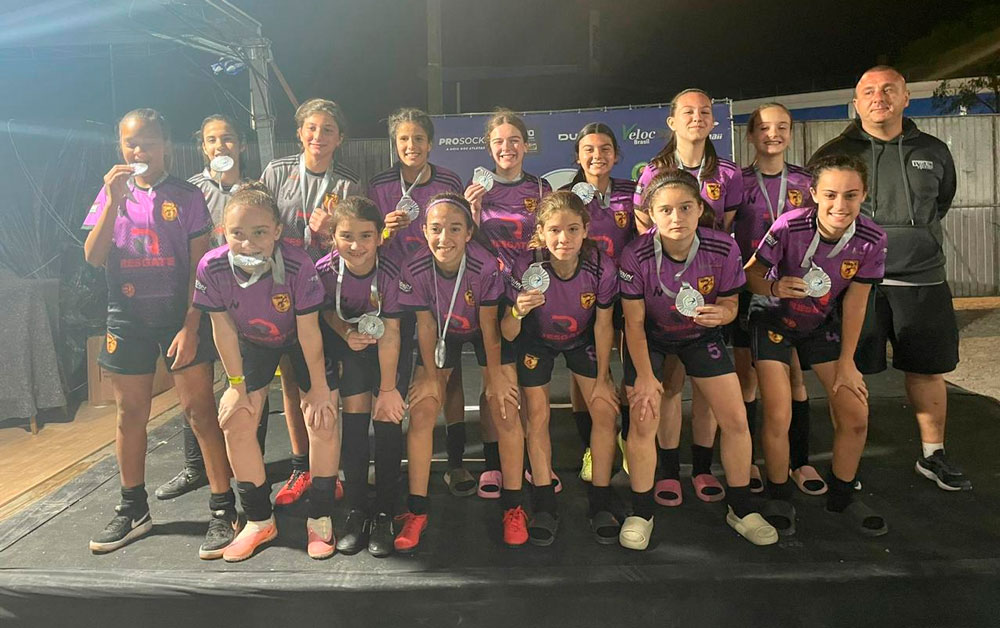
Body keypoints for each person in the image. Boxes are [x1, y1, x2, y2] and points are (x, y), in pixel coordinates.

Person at [82, 109, 234, 559]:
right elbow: (93, 256)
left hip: (177, 318)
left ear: (166, 145)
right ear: (120, 146)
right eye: (130, 142)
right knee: (129, 414)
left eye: (148, 141)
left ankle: (223, 508)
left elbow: (200, 267)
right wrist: (113, 200)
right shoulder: (110, 193)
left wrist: (191, 324)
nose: (139, 150)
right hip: (126, 318)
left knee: (199, 412)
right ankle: (134, 509)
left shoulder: (186, 196)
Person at [810, 66, 968, 491]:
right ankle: (847, 463)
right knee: (848, 373)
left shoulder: (933, 150)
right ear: (856, 103)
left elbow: (942, 201)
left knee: (928, 370)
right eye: (868, 91)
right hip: (854, 284)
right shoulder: (833, 154)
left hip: (922, 279)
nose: (878, 97)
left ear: (905, 97)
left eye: (888, 89)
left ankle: (933, 455)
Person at [618, 170, 777, 550]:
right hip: (651, 339)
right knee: (643, 418)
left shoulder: (723, 247)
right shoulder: (635, 254)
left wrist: (724, 314)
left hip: (700, 336)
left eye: (685, 207)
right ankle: (641, 512)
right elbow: (634, 324)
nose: (677, 217)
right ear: (651, 214)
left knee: (735, 419)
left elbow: (730, 302)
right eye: (666, 210)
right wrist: (645, 376)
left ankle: (741, 509)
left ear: (699, 209)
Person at [193, 181, 340, 561]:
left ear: (277, 231)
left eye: (259, 232)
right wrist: (236, 386)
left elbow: (309, 332)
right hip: (254, 342)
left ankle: (320, 515)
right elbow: (223, 328)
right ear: (223, 232)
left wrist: (319, 388)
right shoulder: (212, 266)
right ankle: (260, 520)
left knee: (322, 417)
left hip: (299, 337)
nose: (248, 243)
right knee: (236, 419)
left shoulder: (298, 264)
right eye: (238, 233)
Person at [744, 154, 889, 536]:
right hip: (772, 318)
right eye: (830, 195)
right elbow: (750, 274)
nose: (840, 205)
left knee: (855, 413)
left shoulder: (872, 238)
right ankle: (779, 495)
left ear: (864, 194)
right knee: (778, 413)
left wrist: (848, 362)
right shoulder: (790, 225)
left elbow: (856, 302)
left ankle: (842, 495)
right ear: (814, 194)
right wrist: (774, 286)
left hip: (819, 323)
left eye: (851, 195)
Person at [632, 89, 745, 504]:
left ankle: (701, 468)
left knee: (708, 391)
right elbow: (646, 229)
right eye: (688, 112)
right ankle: (667, 472)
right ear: (672, 121)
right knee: (668, 384)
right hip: (663, 292)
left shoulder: (729, 173)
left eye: (704, 112)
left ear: (713, 120)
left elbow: (725, 227)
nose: (697, 118)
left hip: (707, 284)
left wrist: (711, 286)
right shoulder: (652, 171)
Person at [390, 193, 519, 552]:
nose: (444, 238)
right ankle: (417, 510)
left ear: (469, 232)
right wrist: (431, 376)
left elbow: (489, 326)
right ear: (423, 230)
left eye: (454, 229)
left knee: (504, 405)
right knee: (423, 409)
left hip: (483, 329)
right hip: (442, 333)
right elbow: (426, 325)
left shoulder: (485, 264)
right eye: (435, 229)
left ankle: (514, 505)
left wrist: (495, 377)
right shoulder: (414, 267)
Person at [157, 113, 269, 502]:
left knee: (248, 382)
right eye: (212, 140)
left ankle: (251, 461)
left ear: (242, 145)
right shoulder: (189, 191)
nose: (220, 146)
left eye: (228, 138)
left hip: (249, 298)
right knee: (198, 387)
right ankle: (196, 468)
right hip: (202, 301)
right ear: (202, 147)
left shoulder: (256, 191)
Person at [501, 190, 621, 546]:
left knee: (605, 412)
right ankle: (544, 504)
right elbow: (508, 332)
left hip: (582, 339)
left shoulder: (600, 266)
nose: (563, 238)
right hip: (536, 341)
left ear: (585, 230)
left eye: (572, 229)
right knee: (536, 416)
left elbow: (604, 325)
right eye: (554, 230)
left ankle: (601, 502)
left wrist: (603, 377)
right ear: (541, 232)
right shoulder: (526, 266)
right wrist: (518, 310)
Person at [367, 109, 474, 497]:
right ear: (395, 144)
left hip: (438, 291)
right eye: (403, 139)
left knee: (448, 375)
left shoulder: (449, 181)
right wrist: (384, 230)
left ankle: (456, 462)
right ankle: (390, 465)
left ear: (431, 143)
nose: (411, 146)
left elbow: (460, 232)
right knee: (393, 377)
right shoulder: (379, 184)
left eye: (418, 139)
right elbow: (367, 238)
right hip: (394, 292)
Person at [260, 98, 360, 506]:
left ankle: (329, 469)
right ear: (300, 133)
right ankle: (302, 466)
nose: (319, 136)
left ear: (340, 138)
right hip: (281, 292)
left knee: (326, 384)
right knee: (291, 380)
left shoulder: (348, 184)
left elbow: (355, 242)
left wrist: (331, 230)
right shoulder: (276, 172)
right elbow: (259, 223)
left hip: (326, 294)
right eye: (312, 128)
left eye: (328, 130)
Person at [734, 104, 825, 496]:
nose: (773, 134)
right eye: (764, 127)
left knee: (795, 376)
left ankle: (799, 461)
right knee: (747, 378)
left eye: (781, 127)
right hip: (748, 288)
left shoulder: (807, 182)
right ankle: (749, 460)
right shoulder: (737, 182)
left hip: (794, 289)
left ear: (791, 132)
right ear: (751, 135)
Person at [464, 109, 554, 499]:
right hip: (492, 296)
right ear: (489, 147)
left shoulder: (541, 189)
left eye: (514, 140)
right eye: (499, 141)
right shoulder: (476, 190)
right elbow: (466, 243)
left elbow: (551, 238)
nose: (507, 147)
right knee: (494, 384)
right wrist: (471, 211)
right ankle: (493, 463)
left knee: (531, 387)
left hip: (531, 296)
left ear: (525, 145)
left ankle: (534, 462)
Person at [315, 196, 407, 557]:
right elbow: (325, 310)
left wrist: (388, 388)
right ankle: (355, 510)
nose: (356, 246)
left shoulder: (392, 271)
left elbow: (393, 332)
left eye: (366, 236)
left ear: (380, 235)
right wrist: (345, 333)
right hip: (350, 347)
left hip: (390, 347)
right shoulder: (324, 270)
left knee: (386, 419)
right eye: (346, 236)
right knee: (353, 424)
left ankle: (384, 512)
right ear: (333, 237)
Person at [559, 122, 637, 483]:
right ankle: (591, 446)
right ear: (577, 156)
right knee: (586, 376)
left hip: (627, 293)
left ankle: (627, 440)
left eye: (605, 148)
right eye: (588, 149)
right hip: (583, 294)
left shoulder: (633, 192)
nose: (597, 155)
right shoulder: (567, 196)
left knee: (628, 369)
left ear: (616, 155)